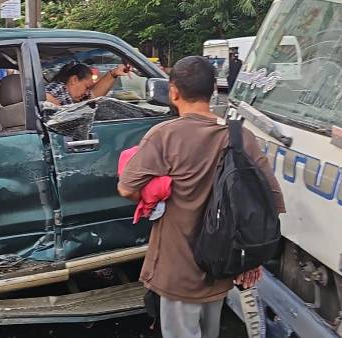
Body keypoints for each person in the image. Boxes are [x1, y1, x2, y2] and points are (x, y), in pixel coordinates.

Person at [118, 56, 285, 338]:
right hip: (220, 266)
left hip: (178, 270)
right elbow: (270, 200)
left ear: (173, 91)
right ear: (213, 90)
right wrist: (251, 259)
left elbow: (126, 187)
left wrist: (158, 193)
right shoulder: (239, 136)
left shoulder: (165, 135)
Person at [45, 61, 130, 106]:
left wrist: (113, 74)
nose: (87, 92)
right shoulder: (56, 90)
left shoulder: (75, 94)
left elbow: (95, 94)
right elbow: (46, 98)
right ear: (74, 80)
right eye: (86, 87)